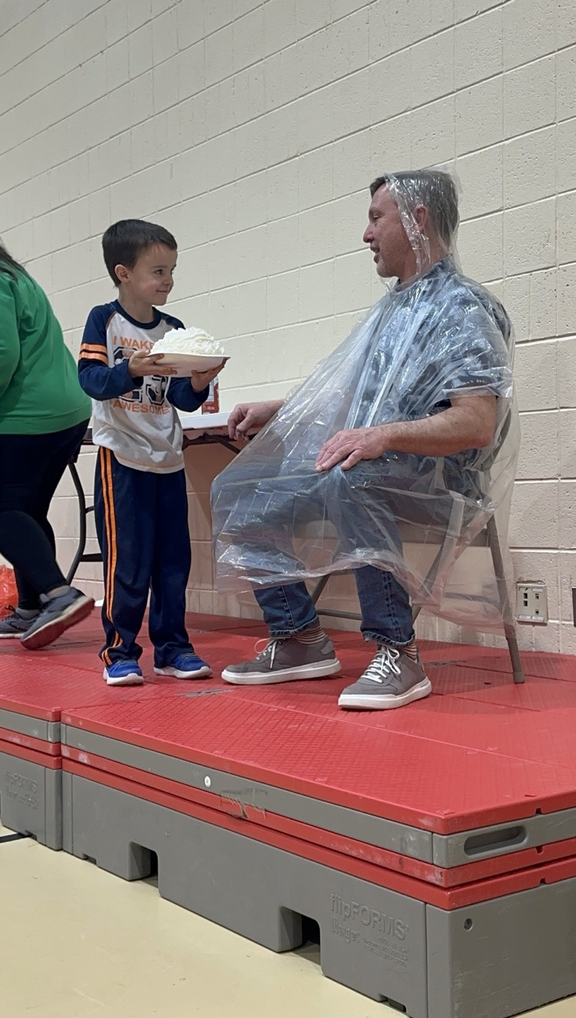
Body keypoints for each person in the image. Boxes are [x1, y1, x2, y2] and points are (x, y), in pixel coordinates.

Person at [211, 169, 516, 711]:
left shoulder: (462, 309)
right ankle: (300, 637)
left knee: (354, 475)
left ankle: (399, 652)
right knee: (241, 490)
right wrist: (281, 410)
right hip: (376, 462)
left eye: (377, 218)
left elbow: (476, 423)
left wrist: (383, 437)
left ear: (417, 220)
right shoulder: (393, 310)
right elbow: (355, 404)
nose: (366, 234)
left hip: (441, 477)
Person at [78, 219, 224, 686]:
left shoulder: (174, 329)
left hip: (167, 457)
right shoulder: (104, 320)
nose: (168, 281)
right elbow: (91, 381)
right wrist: (131, 369)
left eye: (172, 270)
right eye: (158, 271)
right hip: (121, 456)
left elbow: (179, 398)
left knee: (172, 560)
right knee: (128, 560)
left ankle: (172, 647)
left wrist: (199, 381)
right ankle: (119, 651)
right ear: (123, 273)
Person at [0, 242, 94, 648]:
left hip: (28, 414)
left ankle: (58, 594)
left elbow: (3, 354)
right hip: (66, 411)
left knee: (3, 507)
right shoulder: (16, 276)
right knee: (27, 510)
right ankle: (30, 608)